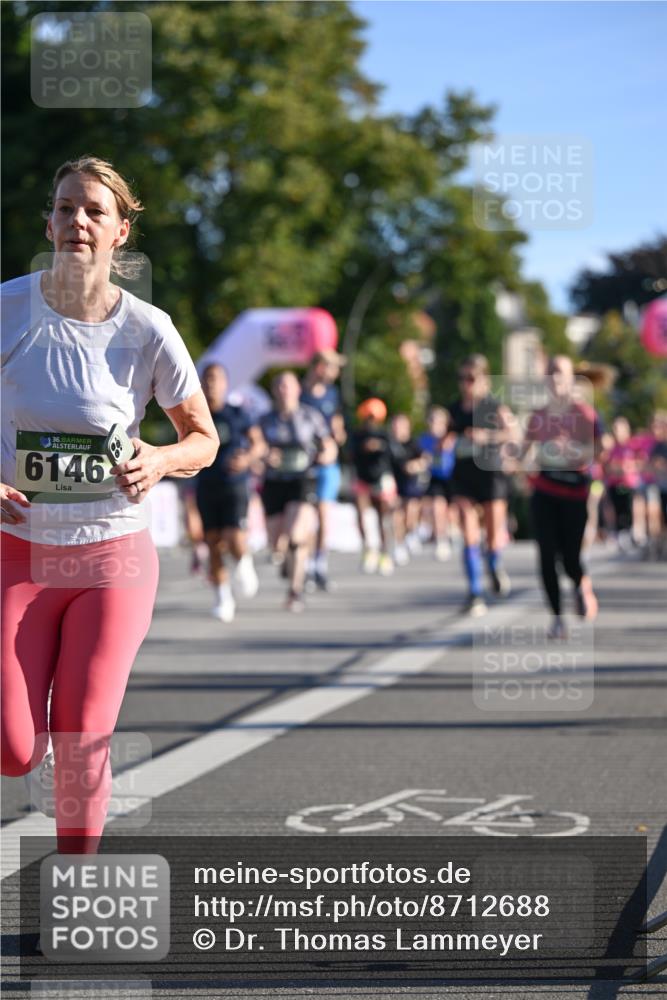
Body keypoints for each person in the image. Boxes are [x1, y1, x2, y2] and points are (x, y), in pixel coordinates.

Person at [0, 156, 218, 853]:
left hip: (111, 558)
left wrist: (159, 458)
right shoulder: (8, 307)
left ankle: (74, 881)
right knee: (12, 748)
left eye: (94, 211)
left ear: (121, 230)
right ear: (49, 222)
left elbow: (203, 439)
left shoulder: (148, 329)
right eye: (65, 209)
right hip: (19, 552)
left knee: (84, 730)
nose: (77, 223)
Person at [522, 355, 602, 638]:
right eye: (551, 372)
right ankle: (557, 618)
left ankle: (582, 584)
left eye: (561, 373)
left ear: (571, 379)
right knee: (545, 556)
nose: (556, 378)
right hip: (545, 492)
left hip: (574, 493)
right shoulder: (538, 415)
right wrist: (524, 465)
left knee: (570, 557)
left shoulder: (584, 413)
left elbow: (598, 452)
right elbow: (525, 452)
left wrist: (570, 451)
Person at [184, 363, 264, 622]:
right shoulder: (195, 417)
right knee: (213, 543)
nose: (211, 385)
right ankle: (222, 596)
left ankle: (244, 562)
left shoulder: (238, 414)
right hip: (207, 484)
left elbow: (259, 444)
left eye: (216, 380)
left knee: (234, 537)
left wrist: (248, 458)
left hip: (235, 484)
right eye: (206, 380)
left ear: (226, 384)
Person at [259, 371, 337, 611]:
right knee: (276, 544)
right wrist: (264, 456)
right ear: (274, 391)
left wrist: (326, 455)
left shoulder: (309, 416)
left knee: (295, 537)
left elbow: (329, 444)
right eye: (279, 386)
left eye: (288, 386)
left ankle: (295, 591)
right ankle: (286, 561)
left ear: (297, 390)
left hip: (303, 479)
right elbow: (255, 448)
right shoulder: (265, 420)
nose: (284, 390)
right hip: (274, 481)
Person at [448, 355, 515, 616]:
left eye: (471, 378)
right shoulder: (454, 409)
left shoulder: (494, 407)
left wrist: (487, 436)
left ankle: (494, 565)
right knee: (467, 528)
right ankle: (474, 592)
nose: (466, 384)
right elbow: (446, 435)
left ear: (484, 380)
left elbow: (513, 433)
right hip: (464, 473)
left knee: (492, 532)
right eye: (462, 378)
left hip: (490, 473)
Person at [300, 349, 347, 591]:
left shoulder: (332, 393)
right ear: (320, 367)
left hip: (328, 463)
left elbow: (337, 425)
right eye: (333, 367)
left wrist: (336, 438)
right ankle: (305, 566)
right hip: (304, 463)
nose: (336, 373)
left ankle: (320, 565)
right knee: (307, 517)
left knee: (324, 515)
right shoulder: (299, 393)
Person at [351, 398, 397, 575]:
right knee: (362, 514)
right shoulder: (357, 435)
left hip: (381, 479)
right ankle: (368, 549)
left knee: (383, 519)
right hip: (363, 479)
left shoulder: (384, 434)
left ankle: (385, 554)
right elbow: (350, 453)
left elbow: (394, 454)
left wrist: (380, 447)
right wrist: (363, 448)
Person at [389, 413, 429, 565]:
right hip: (394, 484)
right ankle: (399, 544)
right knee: (397, 514)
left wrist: (415, 465)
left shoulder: (414, 443)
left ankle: (411, 532)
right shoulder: (390, 443)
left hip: (411, 484)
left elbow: (425, 459)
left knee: (410, 512)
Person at [418, 405, 456, 561]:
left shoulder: (453, 438)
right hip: (436, 479)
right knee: (436, 507)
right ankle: (441, 539)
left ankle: (454, 531)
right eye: (432, 421)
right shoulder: (424, 440)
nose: (435, 425)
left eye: (439, 422)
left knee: (454, 511)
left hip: (454, 477)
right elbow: (422, 459)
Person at [602, 416, 645, 551]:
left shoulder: (634, 445)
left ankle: (636, 532)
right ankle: (620, 534)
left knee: (632, 506)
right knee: (617, 509)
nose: (617, 432)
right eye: (615, 429)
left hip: (630, 483)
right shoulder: (611, 448)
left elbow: (641, 462)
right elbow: (606, 466)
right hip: (614, 484)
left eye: (620, 429)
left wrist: (628, 466)